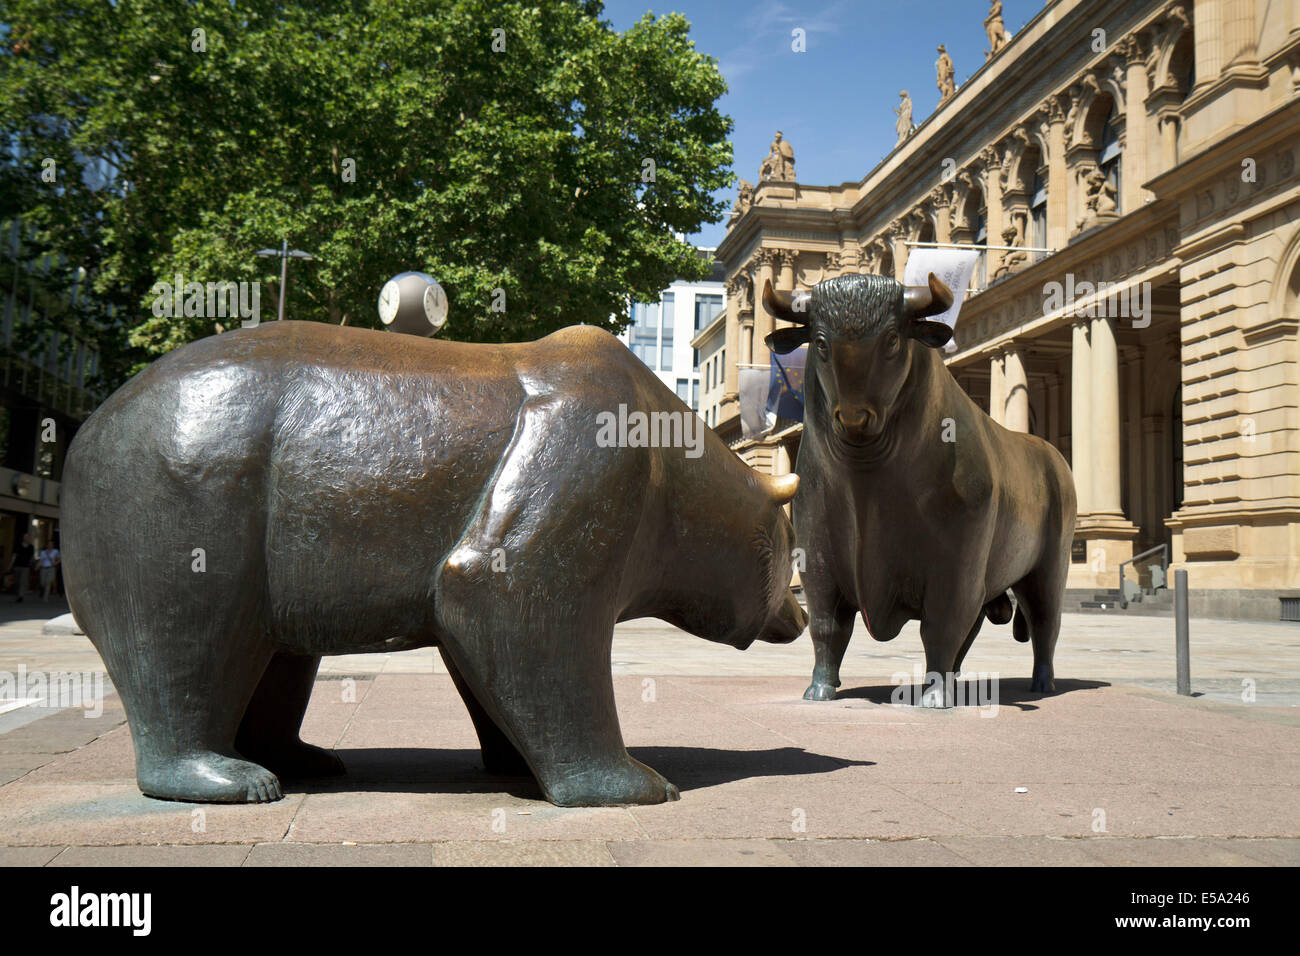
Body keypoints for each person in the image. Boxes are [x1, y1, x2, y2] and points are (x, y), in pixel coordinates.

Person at [8, 533, 34, 603]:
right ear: (23, 538)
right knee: (17, 581)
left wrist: (31, 565)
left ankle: (20, 596)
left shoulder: (31, 547)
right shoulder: (18, 546)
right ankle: (17, 593)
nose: (27, 538)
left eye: (28, 537)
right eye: (26, 537)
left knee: (23, 581)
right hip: (17, 565)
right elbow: (14, 556)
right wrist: (11, 565)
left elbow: (31, 557)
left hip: (25, 566)